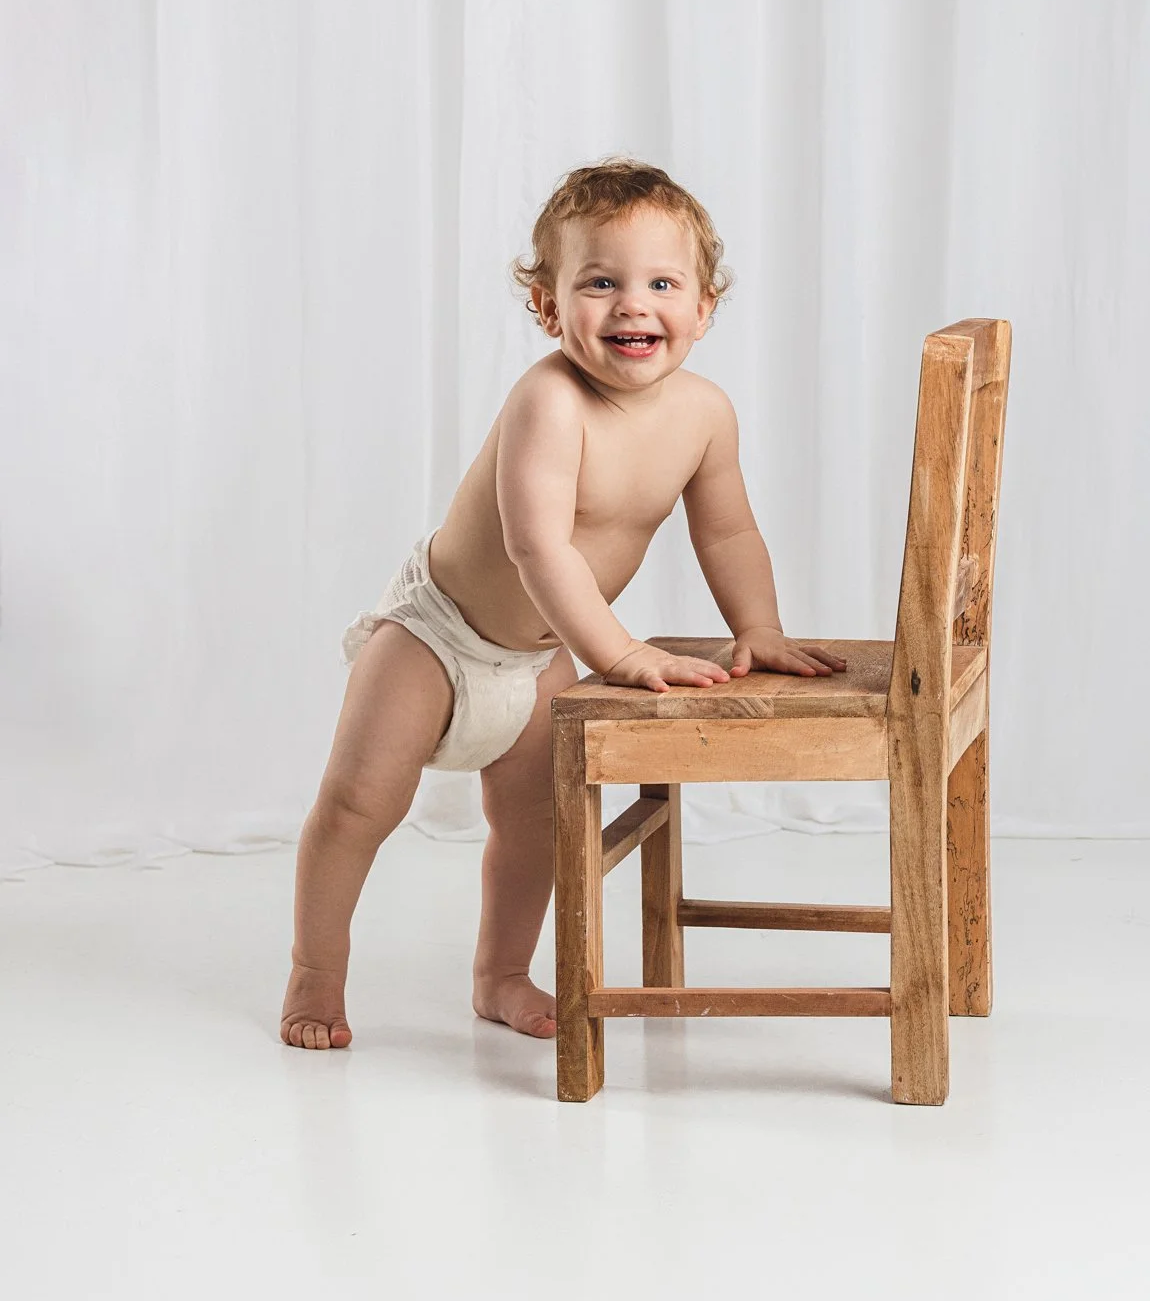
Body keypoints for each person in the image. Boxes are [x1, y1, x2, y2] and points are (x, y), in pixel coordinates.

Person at [280, 158, 845, 1048]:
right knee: (359, 804)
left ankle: (500, 974)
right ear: (547, 306)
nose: (632, 304)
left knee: (537, 822)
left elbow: (728, 534)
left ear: (704, 308)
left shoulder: (705, 416)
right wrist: (618, 656)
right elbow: (535, 545)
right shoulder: (549, 401)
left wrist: (758, 627)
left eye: (662, 282)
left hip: (538, 656)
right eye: (600, 282)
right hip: (435, 637)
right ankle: (316, 973)